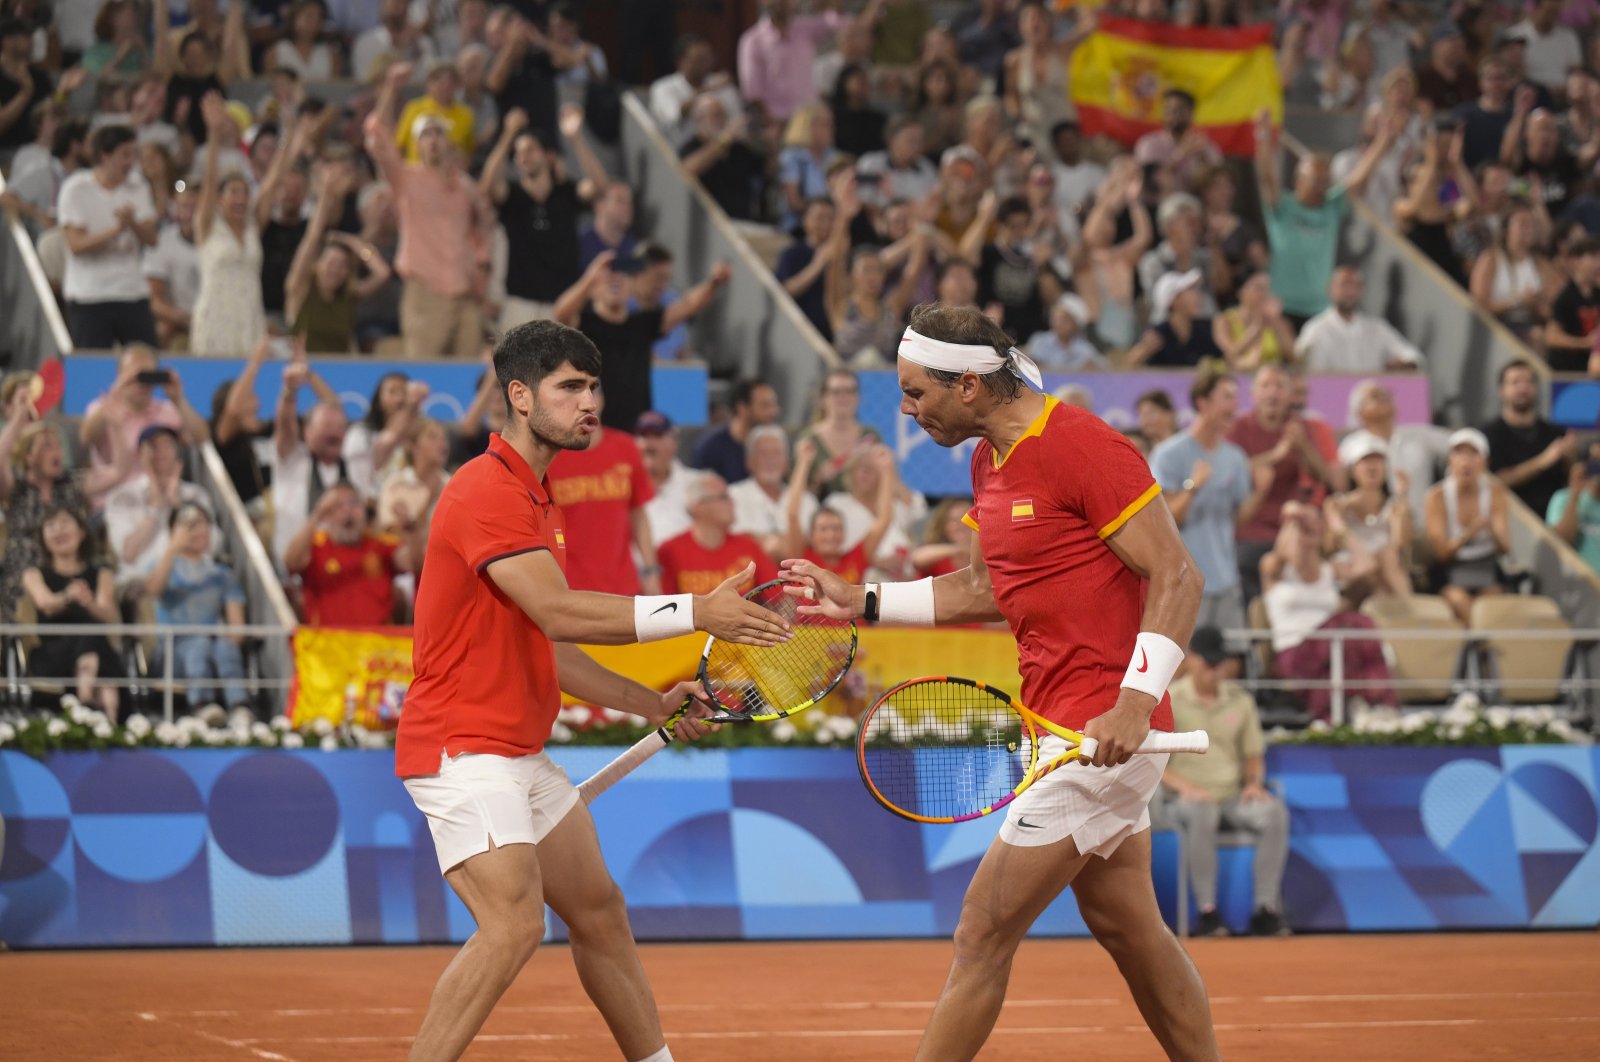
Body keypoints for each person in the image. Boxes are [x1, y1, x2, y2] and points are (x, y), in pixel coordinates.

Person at [784, 304, 1218, 1062]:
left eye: (917, 394)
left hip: (1099, 736)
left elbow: (1179, 576)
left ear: (973, 388)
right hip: (1060, 726)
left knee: (981, 929)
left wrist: (1135, 702)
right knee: (1130, 928)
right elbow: (990, 587)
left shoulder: (1083, 445)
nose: (908, 411)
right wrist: (868, 600)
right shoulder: (989, 459)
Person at [1156, 627, 1291, 938]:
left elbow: (1253, 754)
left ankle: (1265, 909)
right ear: (1191, 660)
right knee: (1203, 811)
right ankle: (1208, 911)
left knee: (1274, 813)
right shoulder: (1170, 699)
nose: (1215, 671)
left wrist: (1254, 783)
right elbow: (1154, 762)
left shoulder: (1240, 701)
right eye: (1208, 664)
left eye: (1220, 664)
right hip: (1180, 799)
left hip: (1232, 795)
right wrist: (1184, 787)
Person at [366, 61, 493, 359]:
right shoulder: (406, 178)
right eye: (426, 135)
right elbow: (376, 138)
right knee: (425, 371)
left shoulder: (466, 187)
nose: (433, 140)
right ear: (417, 145)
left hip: (466, 296)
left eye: (439, 134)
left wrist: (482, 279)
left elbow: (482, 232)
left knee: (469, 377)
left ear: (450, 142)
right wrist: (390, 89)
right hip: (425, 292)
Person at [1151, 370, 1274, 652]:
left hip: (1227, 579)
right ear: (1203, 403)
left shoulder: (1235, 457)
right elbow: (1164, 520)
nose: (1235, 405)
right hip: (1185, 583)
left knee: (1232, 659)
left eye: (1236, 397)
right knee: (1185, 662)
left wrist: (1262, 492)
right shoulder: (1169, 454)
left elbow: (1238, 520)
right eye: (1227, 397)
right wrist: (1194, 486)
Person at [554, 249, 731, 432]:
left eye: (622, 277)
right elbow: (561, 313)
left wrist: (714, 282)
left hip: (635, 429)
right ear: (593, 289)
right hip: (593, 429)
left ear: (631, 285)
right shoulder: (584, 323)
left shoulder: (642, 324)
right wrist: (591, 276)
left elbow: (687, 306)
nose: (615, 281)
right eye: (608, 278)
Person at [1253, 107, 1395, 326]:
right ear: (1298, 180)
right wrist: (1263, 138)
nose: (1322, 186)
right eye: (1315, 180)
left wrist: (1383, 141)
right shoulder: (1281, 206)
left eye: (1325, 181)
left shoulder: (1332, 206)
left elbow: (1360, 177)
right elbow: (1266, 176)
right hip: (1282, 306)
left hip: (1319, 308)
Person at [1262, 501, 1398, 719]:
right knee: (1354, 623)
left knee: (1350, 635)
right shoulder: (1274, 568)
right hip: (1295, 651)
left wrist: (1339, 527)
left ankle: (1359, 712)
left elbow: (1368, 566)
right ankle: (1380, 702)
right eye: (1301, 529)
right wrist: (1294, 521)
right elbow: (1282, 553)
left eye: (1312, 528)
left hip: (1335, 649)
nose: (1306, 533)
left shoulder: (1330, 569)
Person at [1229, 364, 1342, 603]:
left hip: (1291, 528)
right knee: (1246, 561)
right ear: (1253, 394)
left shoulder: (1301, 427)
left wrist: (1304, 447)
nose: (1272, 393)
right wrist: (1277, 455)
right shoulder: (1238, 427)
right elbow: (1230, 471)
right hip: (1248, 528)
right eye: (1265, 386)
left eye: (1280, 386)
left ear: (1291, 394)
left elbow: (1327, 479)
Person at [143, 502, 251, 716]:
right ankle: (202, 705)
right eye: (190, 524)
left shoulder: (221, 574)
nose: (199, 530)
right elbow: (154, 590)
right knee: (198, 644)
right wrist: (173, 548)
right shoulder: (159, 566)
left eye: (204, 524)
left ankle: (239, 706)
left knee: (225, 647)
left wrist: (227, 641)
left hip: (211, 643)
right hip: (173, 650)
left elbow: (237, 625)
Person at [58, 123, 161, 347]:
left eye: (134, 154)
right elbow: (76, 245)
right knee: (92, 369)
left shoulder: (138, 186)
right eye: (124, 155)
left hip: (132, 292)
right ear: (104, 156)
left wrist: (132, 223)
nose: (130, 162)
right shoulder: (75, 188)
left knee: (148, 361)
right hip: (89, 294)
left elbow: (152, 239)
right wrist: (116, 230)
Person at [547, 397, 660, 595]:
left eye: (591, 395)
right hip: (570, 589)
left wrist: (651, 570)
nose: (585, 406)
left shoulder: (626, 447)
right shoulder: (549, 456)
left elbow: (638, 515)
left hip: (624, 586)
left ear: (601, 400)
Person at [23, 505, 125, 720]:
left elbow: (108, 614)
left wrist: (88, 602)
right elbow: (45, 604)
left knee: (95, 645)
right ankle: (92, 706)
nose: (58, 531)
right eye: (50, 526)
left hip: (98, 648)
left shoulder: (101, 574)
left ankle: (99, 713)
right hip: (54, 651)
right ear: (43, 538)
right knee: (90, 642)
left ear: (82, 533)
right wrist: (68, 596)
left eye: (65, 524)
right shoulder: (34, 574)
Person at [80, 346, 210, 506]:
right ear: (120, 374)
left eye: (146, 375)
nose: (140, 383)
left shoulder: (167, 410)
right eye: (133, 375)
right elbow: (86, 437)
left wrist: (179, 400)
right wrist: (116, 392)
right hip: (114, 502)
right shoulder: (103, 408)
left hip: (161, 501)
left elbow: (202, 437)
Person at [189, 93, 266, 357]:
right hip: (216, 316)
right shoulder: (208, 226)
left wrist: (291, 139)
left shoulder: (253, 229)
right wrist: (214, 133)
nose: (240, 198)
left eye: (244, 192)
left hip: (250, 315)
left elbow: (275, 180)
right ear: (220, 199)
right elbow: (210, 180)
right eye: (233, 191)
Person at [285, 480, 423, 626]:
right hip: (327, 645)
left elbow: (416, 565)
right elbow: (290, 562)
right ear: (328, 514)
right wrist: (317, 514)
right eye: (338, 506)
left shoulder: (379, 545)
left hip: (379, 644)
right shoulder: (317, 547)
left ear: (364, 511)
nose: (348, 511)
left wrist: (411, 529)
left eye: (354, 503)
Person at [103, 425, 214, 583]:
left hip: (193, 580)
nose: (161, 452)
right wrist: (154, 508)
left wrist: (178, 507)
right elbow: (128, 553)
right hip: (141, 582)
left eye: (168, 445)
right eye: (153, 446)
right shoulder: (122, 497)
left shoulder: (195, 494)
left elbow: (211, 546)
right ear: (140, 455)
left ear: (177, 452)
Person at [1426, 428, 1512, 625]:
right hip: (1451, 572)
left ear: (1485, 462)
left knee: (1493, 601)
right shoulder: (1436, 497)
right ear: (1450, 460)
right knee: (1459, 601)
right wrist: (1469, 533)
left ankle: (1480, 649)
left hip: (1487, 569)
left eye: (1473, 454)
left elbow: (1505, 547)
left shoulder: (1496, 493)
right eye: (1459, 454)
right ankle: (1479, 649)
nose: (1466, 461)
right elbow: (1441, 553)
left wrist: (1492, 531)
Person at [783, 437, 891, 583]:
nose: (831, 535)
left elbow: (884, 519)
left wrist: (886, 470)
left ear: (844, 534)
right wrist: (803, 462)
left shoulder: (856, 558)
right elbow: (792, 514)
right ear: (812, 535)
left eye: (836, 528)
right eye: (823, 529)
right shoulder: (802, 556)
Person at [659, 471, 781, 595]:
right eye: (723, 497)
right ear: (699, 507)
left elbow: (780, 596)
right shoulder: (670, 551)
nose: (732, 502)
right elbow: (665, 606)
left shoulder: (748, 546)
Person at [1482, 358, 1571, 518]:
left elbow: (1569, 481)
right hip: (1509, 519)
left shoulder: (1555, 433)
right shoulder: (1489, 435)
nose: (1523, 388)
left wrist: (1571, 458)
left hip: (1553, 520)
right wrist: (1542, 461)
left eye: (1529, 382)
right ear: (1501, 390)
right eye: (1515, 382)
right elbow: (1494, 481)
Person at [1293, 266, 1423, 373]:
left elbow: (1413, 356)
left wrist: (1404, 364)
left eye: (1355, 285)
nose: (1350, 291)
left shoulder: (1377, 327)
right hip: (1327, 398)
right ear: (1330, 290)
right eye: (1344, 284)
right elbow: (1298, 360)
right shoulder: (1316, 328)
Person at [731, 425, 814, 558]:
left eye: (776, 453)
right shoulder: (733, 496)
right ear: (749, 462)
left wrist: (767, 541)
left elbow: (811, 543)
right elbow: (739, 541)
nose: (770, 460)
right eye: (762, 453)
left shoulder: (807, 499)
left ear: (786, 462)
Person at [796, 368, 882, 497]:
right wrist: (818, 479)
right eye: (836, 392)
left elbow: (884, 483)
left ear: (859, 397)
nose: (843, 397)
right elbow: (797, 492)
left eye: (850, 391)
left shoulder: (870, 436)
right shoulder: (809, 439)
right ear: (824, 398)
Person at [1127, 269, 1224, 368]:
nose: (1198, 296)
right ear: (1174, 300)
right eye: (1190, 290)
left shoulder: (1207, 329)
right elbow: (1128, 367)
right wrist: (1144, 350)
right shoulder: (1157, 335)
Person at [691, 380, 781, 485]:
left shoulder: (778, 443)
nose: (774, 412)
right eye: (765, 406)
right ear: (742, 408)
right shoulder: (710, 448)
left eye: (774, 405)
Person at [1214, 271, 1295, 371]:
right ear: (1241, 292)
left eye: (1268, 289)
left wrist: (1277, 326)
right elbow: (1230, 355)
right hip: (1236, 376)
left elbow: (1293, 359)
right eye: (1259, 288)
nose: (1265, 294)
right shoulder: (1224, 320)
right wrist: (1257, 328)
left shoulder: (1280, 322)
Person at [1544, 236, 1600, 373]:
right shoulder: (1565, 297)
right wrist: (1583, 343)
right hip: (1567, 369)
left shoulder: (1597, 294)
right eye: (1593, 257)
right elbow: (1551, 337)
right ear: (1576, 261)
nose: (1598, 263)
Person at [1547, 436, 1600, 574]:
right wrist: (1575, 494)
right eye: (1596, 462)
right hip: (1577, 582)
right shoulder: (1563, 498)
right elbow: (1560, 542)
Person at [1026, 293, 1108, 372]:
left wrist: (1091, 367)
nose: (1058, 323)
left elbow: (1105, 366)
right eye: (1055, 318)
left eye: (1064, 320)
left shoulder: (1084, 349)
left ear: (1076, 325)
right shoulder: (1040, 341)